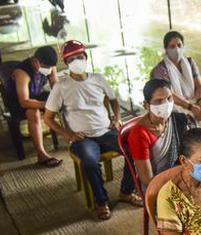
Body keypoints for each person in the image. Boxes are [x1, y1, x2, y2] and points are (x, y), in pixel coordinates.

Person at [43, 40, 141, 220]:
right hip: (83, 138)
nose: (77, 61)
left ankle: (126, 192)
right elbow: (48, 118)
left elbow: (113, 99)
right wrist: (68, 134)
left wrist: (117, 118)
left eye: (80, 57)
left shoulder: (98, 79)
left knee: (134, 149)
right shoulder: (61, 87)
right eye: (72, 59)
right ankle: (101, 201)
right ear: (66, 63)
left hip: (106, 131)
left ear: (86, 58)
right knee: (89, 161)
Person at [151, 31, 201, 141]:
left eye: (179, 45)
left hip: (194, 101)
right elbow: (169, 94)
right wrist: (191, 107)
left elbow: (199, 85)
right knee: (187, 122)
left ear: (183, 46)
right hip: (174, 105)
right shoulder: (161, 69)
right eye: (172, 46)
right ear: (166, 49)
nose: (176, 49)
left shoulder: (190, 62)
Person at [127, 79, 189, 191]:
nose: (166, 104)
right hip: (157, 189)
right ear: (146, 105)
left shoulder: (175, 120)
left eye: (169, 98)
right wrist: (179, 185)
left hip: (180, 176)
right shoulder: (139, 135)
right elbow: (147, 180)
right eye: (159, 101)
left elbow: (189, 151)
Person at [10, 45, 62, 167]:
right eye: (46, 67)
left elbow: (56, 85)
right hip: (18, 102)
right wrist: (47, 104)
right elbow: (24, 101)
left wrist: (61, 99)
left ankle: (73, 136)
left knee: (64, 101)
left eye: (51, 67)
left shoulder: (49, 66)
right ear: (35, 61)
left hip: (36, 95)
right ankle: (41, 154)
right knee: (33, 113)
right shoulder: (22, 72)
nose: (49, 69)